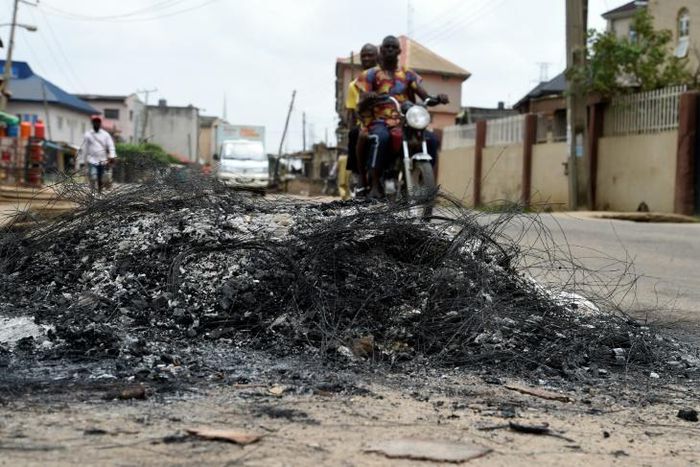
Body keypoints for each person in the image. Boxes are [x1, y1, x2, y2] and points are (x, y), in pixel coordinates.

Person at [355, 35, 448, 198]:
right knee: (381, 138)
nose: (390, 49)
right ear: (381, 50)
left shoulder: (408, 74)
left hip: (406, 120)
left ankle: (421, 179)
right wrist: (369, 97)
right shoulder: (371, 74)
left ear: (399, 51)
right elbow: (361, 102)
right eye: (387, 47)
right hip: (380, 121)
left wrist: (437, 98)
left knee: (431, 140)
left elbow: (424, 96)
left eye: (393, 47)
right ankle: (375, 185)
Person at [344, 43, 379, 196]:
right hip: (364, 123)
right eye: (363, 55)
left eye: (370, 54)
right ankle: (357, 173)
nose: (366, 58)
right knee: (353, 133)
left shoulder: (383, 80)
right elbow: (352, 112)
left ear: (377, 57)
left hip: (384, 121)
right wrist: (352, 128)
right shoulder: (354, 85)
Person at [78, 115, 116, 194]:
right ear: (92, 123)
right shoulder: (88, 135)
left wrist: (112, 156)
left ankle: (99, 192)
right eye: (95, 122)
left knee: (101, 178)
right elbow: (85, 148)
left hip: (103, 160)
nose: (96, 123)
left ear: (100, 123)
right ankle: (92, 192)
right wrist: (82, 160)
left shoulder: (105, 135)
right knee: (93, 176)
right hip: (92, 160)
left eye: (98, 122)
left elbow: (111, 145)